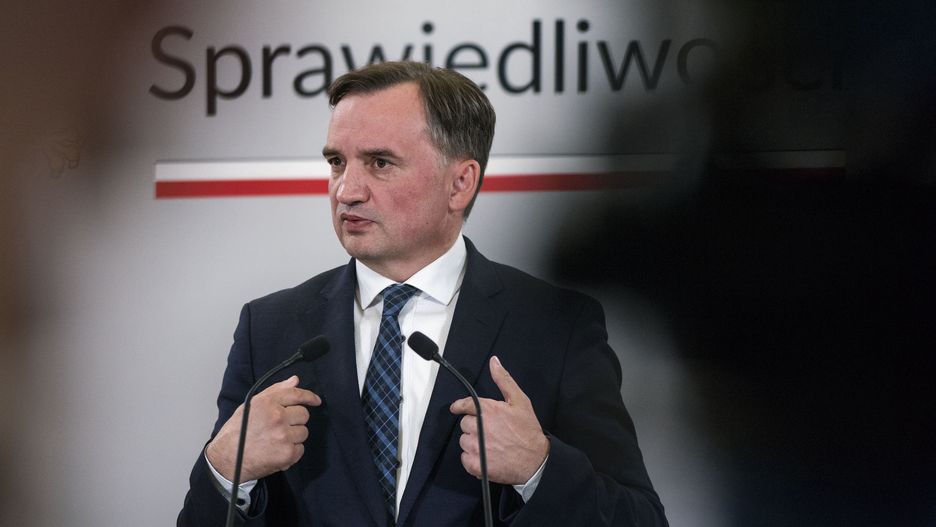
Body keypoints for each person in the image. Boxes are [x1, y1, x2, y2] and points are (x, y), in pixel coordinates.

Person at [178, 61, 667, 527]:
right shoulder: (270, 330)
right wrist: (226, 470)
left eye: (379, 162)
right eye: (337, 162)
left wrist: (538, 468)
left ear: (460, 184)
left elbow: (640, 518)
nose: (346, 190)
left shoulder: (556, 327)